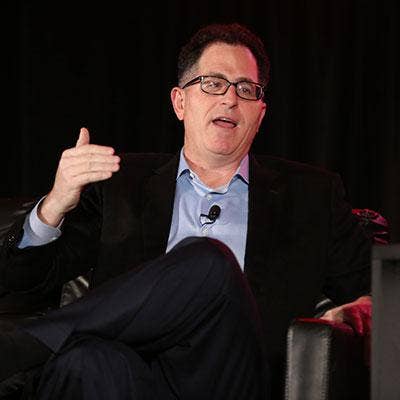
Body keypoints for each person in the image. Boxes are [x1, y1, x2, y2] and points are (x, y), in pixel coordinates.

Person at [0, 22, 372, 399]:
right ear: (180, 102)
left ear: (260, 115)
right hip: (131, 375)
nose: (230, 99)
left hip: (234, 378)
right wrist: (54, 205)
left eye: (246, 89)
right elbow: (22, 283)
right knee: (83, 362)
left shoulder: (312, 196)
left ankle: (19, 349)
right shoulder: (120, 183)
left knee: (209, 260)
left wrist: (359, 312)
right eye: (213, 83)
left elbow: (378, 290)